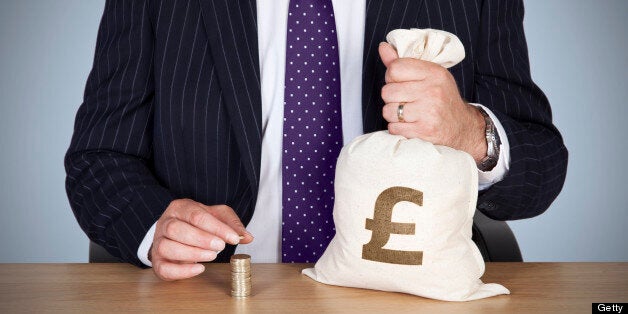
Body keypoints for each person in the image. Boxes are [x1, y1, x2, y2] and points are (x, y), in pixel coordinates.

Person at [65, 0, 567, 281]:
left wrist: (468, 133)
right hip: (219, 288)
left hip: (407, 288)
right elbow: (100, 156)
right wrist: (158, 226)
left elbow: (539, 172)